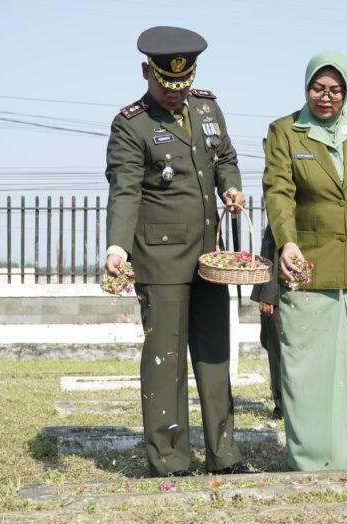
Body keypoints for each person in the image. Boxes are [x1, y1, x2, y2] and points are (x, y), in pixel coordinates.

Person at [103, 26, 251, 476]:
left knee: (214, 357)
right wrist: (117, 248)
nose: (176, 92)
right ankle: (169, 459)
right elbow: (125, 191)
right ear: (146, 72)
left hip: (209, 258)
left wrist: (231, 188)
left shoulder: (207, 108)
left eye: (183, 83)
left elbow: (225, 158)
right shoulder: (131, 125)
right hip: (160, 259)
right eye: (167, 83)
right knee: (165, 362)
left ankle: (224, 455)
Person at [263, 51, 347, 471]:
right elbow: (278, 193)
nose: (326, 97)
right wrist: (287, 243)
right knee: (307, 370)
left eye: (335, 90)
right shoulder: (285, 131)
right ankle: (311, 460)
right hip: (307, 268)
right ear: (306, 88)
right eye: (317, 88)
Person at [249, 225, 283, 420]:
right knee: (271, 345)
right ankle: (282, 406)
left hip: (280, 292)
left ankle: (283, 408)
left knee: (278, 351)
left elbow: (274, 251)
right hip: (277, 291)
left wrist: (268, 294)